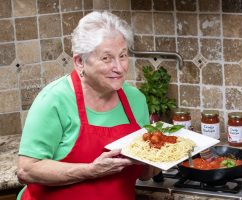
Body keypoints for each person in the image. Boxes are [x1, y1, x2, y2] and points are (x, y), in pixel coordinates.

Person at [16, 11, 161, 200]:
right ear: (80, 62)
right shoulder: (54, 100)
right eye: (106, 58)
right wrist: (91, 170)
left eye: (123, 55)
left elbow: (143, 174)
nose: (119, 67)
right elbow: (27, 171)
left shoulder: (136, 99)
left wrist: (161, 158)